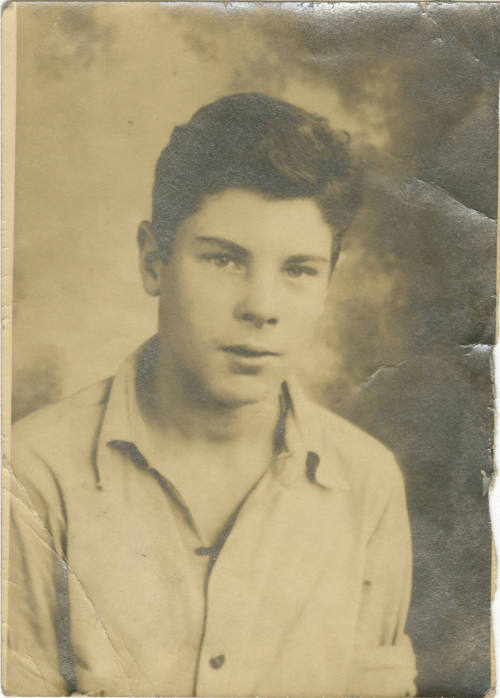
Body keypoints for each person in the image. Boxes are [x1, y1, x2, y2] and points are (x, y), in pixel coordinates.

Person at [5, 93, 417, 697]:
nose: (261, 307)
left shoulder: (369, 482)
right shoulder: (32, 474)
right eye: (225, 261)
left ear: (330, 279)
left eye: (298, 269)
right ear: (153, 261)